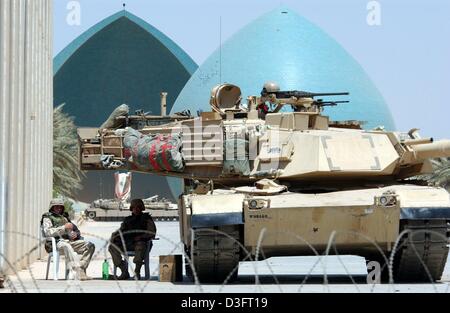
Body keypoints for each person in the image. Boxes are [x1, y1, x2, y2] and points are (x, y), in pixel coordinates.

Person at [41, 199, 95, 280]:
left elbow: (75, 229)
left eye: (60, 207)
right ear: (52, 208)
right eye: (56, 207)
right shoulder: (47, 217)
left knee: (90, 245)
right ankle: (77, 271)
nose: (59, 209)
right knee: (67, 246)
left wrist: (75, 235)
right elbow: (47, 232)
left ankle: (80, 268)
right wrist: (63, 228)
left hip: (69, 242)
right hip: (56, 243)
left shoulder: (65, 217)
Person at [108, 199, 157, 280]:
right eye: (134, 207)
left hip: (142, 244)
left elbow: (152, 232)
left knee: (140, 245)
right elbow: (121, 231)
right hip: (128, 243)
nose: (136, 209)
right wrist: (115, 236)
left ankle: (137, 271)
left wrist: (141, 237)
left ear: (141, 208)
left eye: (138, 207)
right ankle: (124, 270)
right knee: (112, 247)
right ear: (131, 208)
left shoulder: (146, 219)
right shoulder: (128, 220)